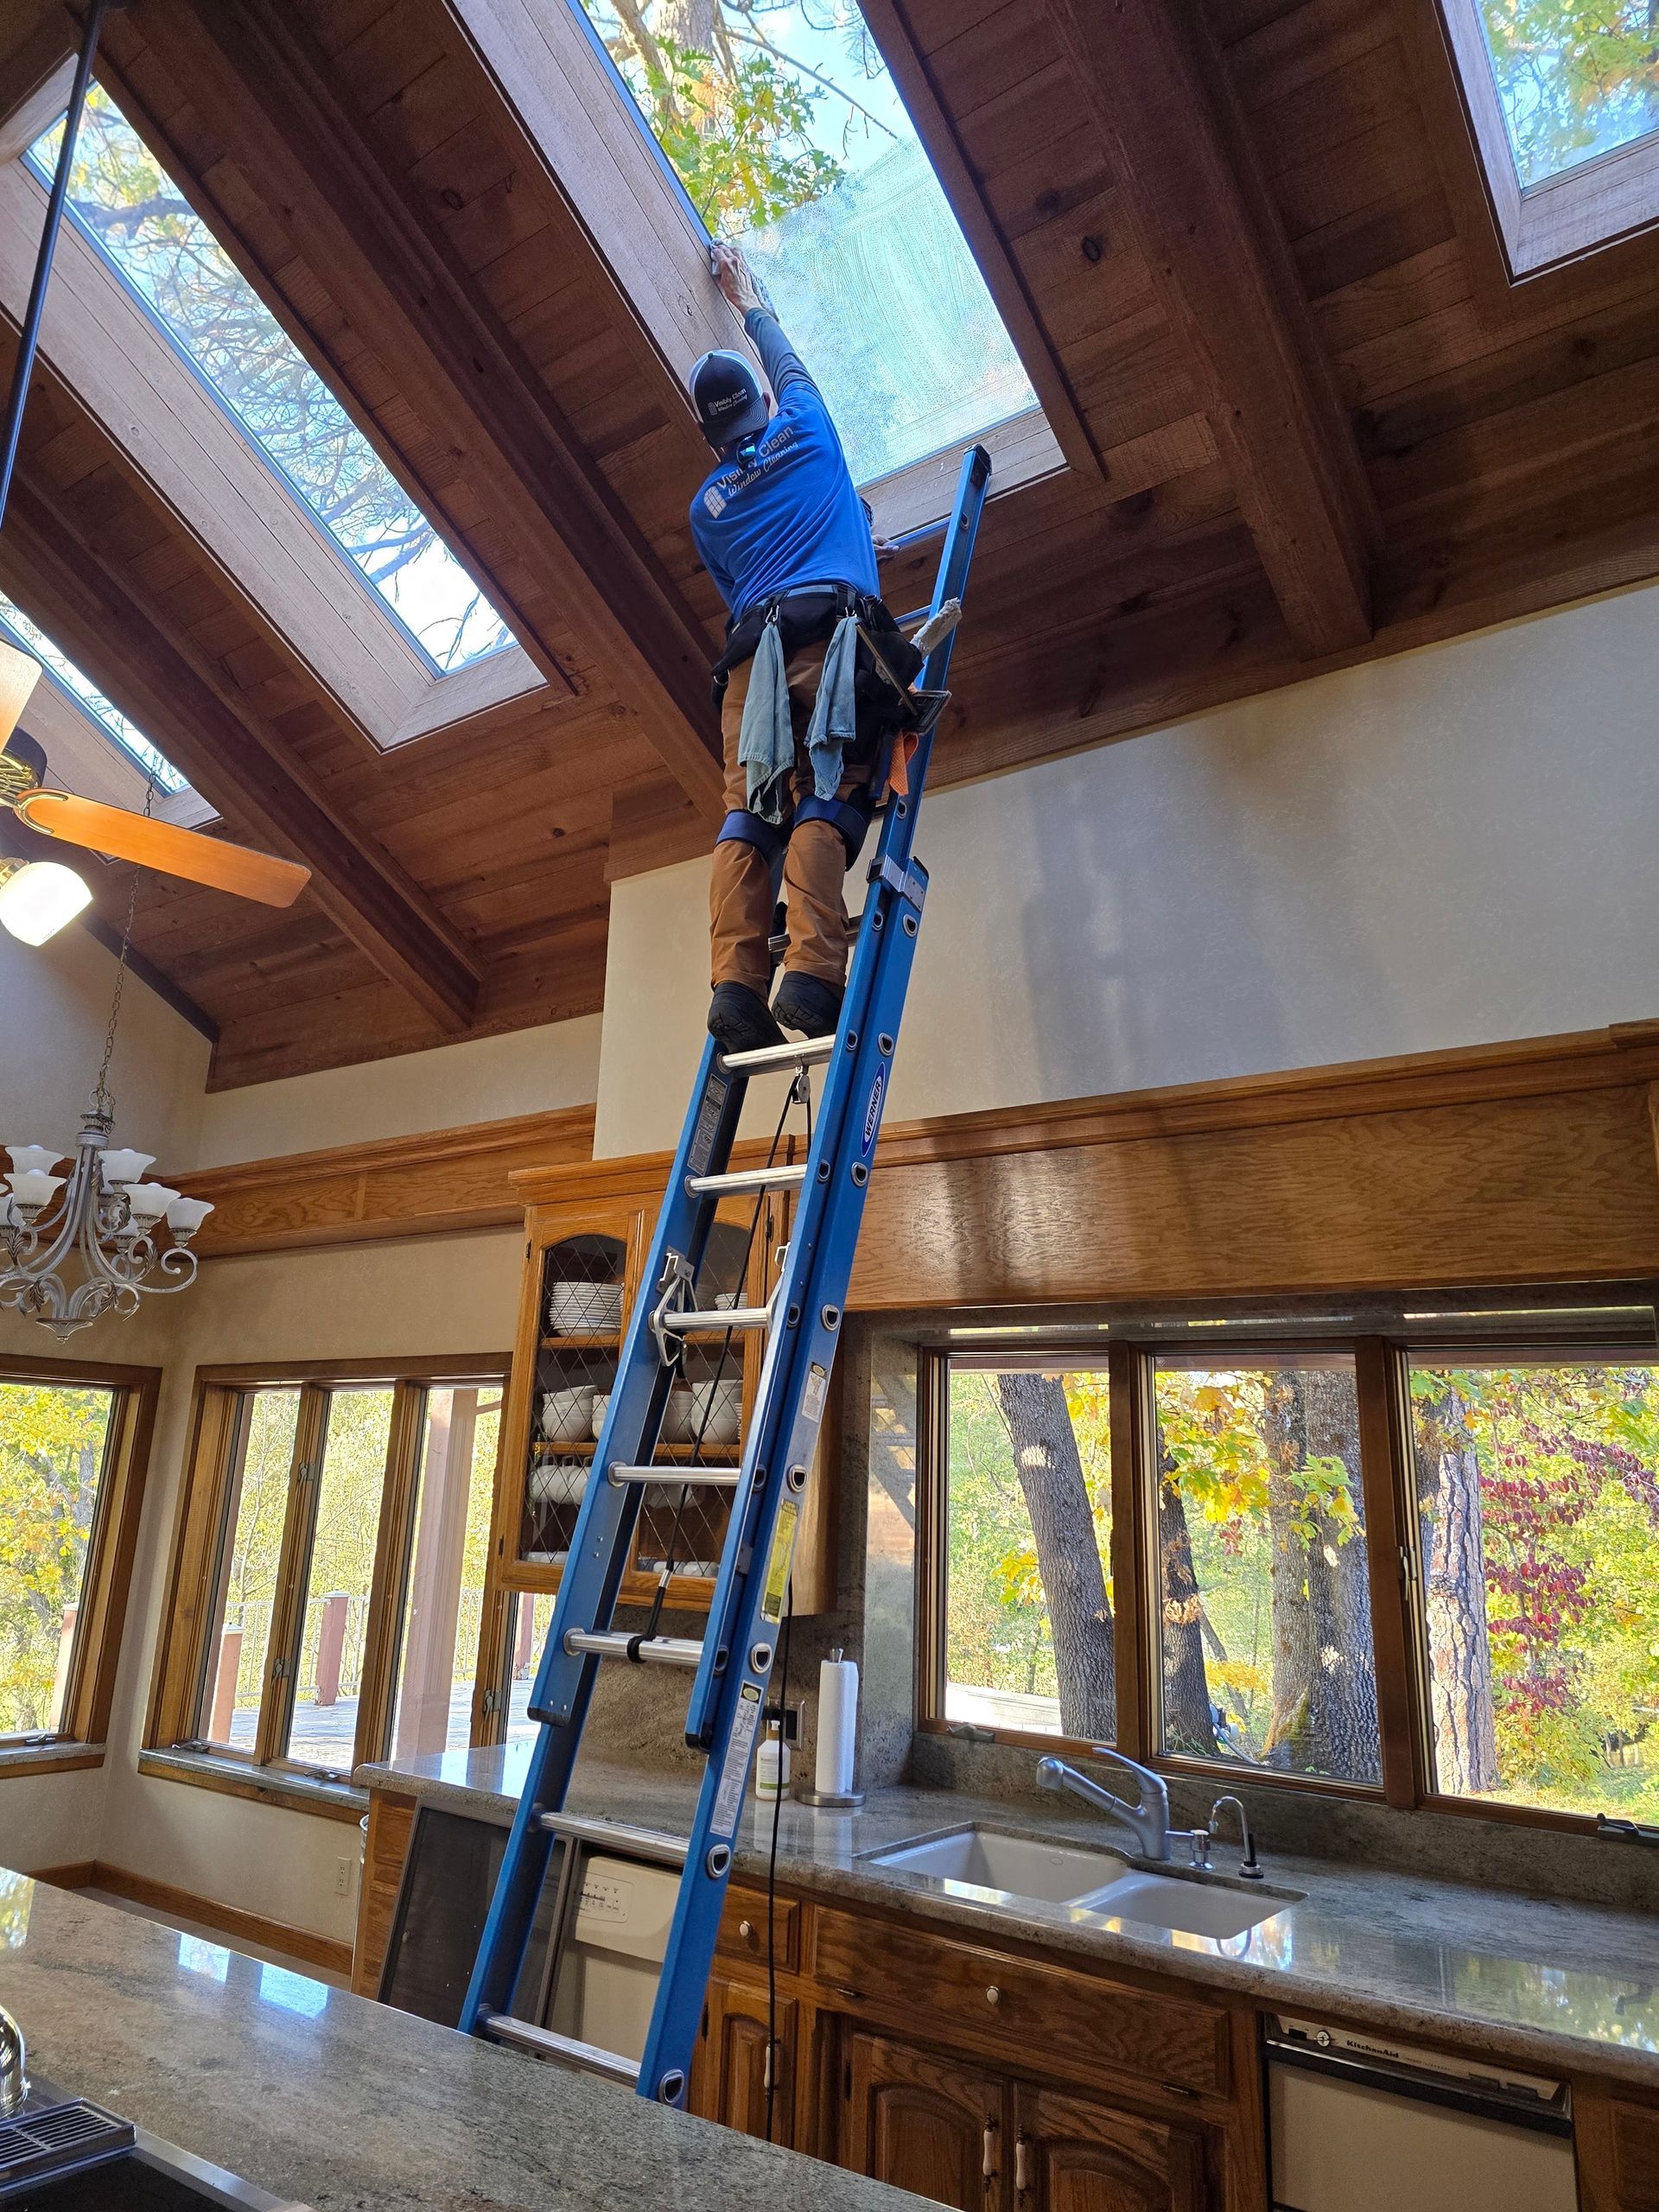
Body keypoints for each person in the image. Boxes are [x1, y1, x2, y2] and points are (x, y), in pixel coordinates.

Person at [688, 243, 915, 1056]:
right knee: (831, 788)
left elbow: (741, 583)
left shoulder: (706, 508)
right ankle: (814, 974)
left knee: (749, 815)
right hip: (834, 640)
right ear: (758, 406)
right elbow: (787, 361)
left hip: (751, 662)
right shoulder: (811, 433)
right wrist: (746, 299)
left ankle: (735, 988)